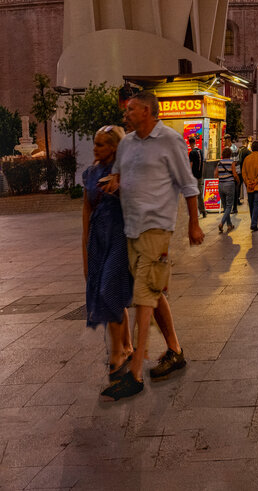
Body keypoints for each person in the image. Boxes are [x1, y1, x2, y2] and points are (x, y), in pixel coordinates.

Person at [102, 93, 203, 401]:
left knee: (143, 296)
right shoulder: (128, 143)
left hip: (157, 228)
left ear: (146, 111)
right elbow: (119, 175)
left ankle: (134, 374)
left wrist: (193, 223)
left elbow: (188, 184)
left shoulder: (170, 140)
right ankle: (175, 350)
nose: (126, 114)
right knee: (153, 293)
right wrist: (113, 183)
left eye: (131, 109)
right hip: (131, 229)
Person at [81, 126, 132, 381]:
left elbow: (136, 202)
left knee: (109, 289)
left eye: (100, 144)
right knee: (110, 292)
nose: (95, 148)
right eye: (95, 142)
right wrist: (85, 253)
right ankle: (127, 346)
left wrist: (120, 184)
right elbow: (85, 215)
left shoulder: (124, 172)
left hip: (120, 237)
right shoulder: (90, 174)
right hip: (98, 240)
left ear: (113, 147)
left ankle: (116, 354)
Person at [242, 142, 258, 231]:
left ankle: (253, 222)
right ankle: (253, 224)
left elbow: (243, 172)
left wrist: (248, 182)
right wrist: (255, 181)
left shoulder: (246, 159)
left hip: (249, 187)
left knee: (251, 205)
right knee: (257, 204)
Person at [215, 145, 240, 235]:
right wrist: (238, 180)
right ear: (229, 154)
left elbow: (215, 175)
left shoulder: (219, 163)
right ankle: (222, 223)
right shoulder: (231, 162)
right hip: (229, 185)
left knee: (225, 206)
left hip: (221, 185)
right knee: (229, 206)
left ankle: (229, 225)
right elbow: (235, 174)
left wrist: (222, 176)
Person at [188, 145, 206, 218]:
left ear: (190, 144)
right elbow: (203, 164)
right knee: (200, 194)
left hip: (193, 176)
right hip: (200, 176)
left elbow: (191, 164)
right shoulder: (201, 151)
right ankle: (203, 211)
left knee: (193, 195)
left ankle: (197, 212)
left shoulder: (192, 153)